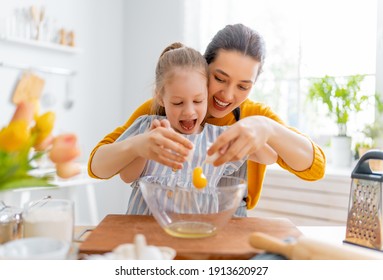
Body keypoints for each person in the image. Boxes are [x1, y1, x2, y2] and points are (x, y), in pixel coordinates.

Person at [88, 24, 326, 215]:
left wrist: (269, 130)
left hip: (224, 225)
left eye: (243, 86)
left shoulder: (253, 116)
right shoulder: (157, 111)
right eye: (220, 79)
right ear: (204, 68)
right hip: (153, 222)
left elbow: (313, 170)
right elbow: (99, 166)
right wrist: (137, 146)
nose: (228, 95)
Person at [110, 42, 276, 215]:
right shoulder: (149, 129)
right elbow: (127, 176)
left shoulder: (217, 138)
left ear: (207, 95)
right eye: (178, 102)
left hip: (195, 234)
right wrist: (142, 147)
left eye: (198, 101)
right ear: (160, 98)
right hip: (144, 234)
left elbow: (270, 157)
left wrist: (245, 130)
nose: (189, 111)